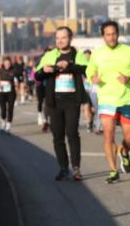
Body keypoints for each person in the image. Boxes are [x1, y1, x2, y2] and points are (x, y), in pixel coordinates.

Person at [86, 21, 130, 184]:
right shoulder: (97, 53)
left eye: (114, 34)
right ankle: (113, 171)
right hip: (106, 100)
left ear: (118, 34)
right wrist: (93, 78)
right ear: (103, 36)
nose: (111, 37)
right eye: (108, 34)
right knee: (108, 135)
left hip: (127, 99)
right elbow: (89, 70)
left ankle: (124, 151)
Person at [35, 29, 89, 180]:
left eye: (63, 37)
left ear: (70, 38)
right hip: (54, 101)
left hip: (72, 100)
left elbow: (86, 69)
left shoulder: (78, 55)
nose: (60, 40)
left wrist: (69, 66)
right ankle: (63, 168)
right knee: (57, 136)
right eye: (57, 38)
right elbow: (37, 75)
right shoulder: (50, 55)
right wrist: (44, 70)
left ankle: (76, 168)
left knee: (72, 133)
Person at [0, 56, 19, 133]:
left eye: (8, 63)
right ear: (3, 63)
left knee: (10, 108)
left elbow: (18, 80)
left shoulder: (14, 71)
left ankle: (8, 125)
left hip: (11, 92)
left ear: (10, 63)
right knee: (3, 108)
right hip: (2, 92)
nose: (7, 65)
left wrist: (16, 83)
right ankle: (3, 123)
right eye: (6, 63)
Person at [34, 46, 51, 132]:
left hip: (49, 84)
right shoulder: (40, 60)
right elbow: (35, 70)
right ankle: (40, 116)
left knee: (48, 102)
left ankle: (48, 121)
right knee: (40, 101)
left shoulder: (53, 60)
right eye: (47, 53)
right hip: (40, 84)